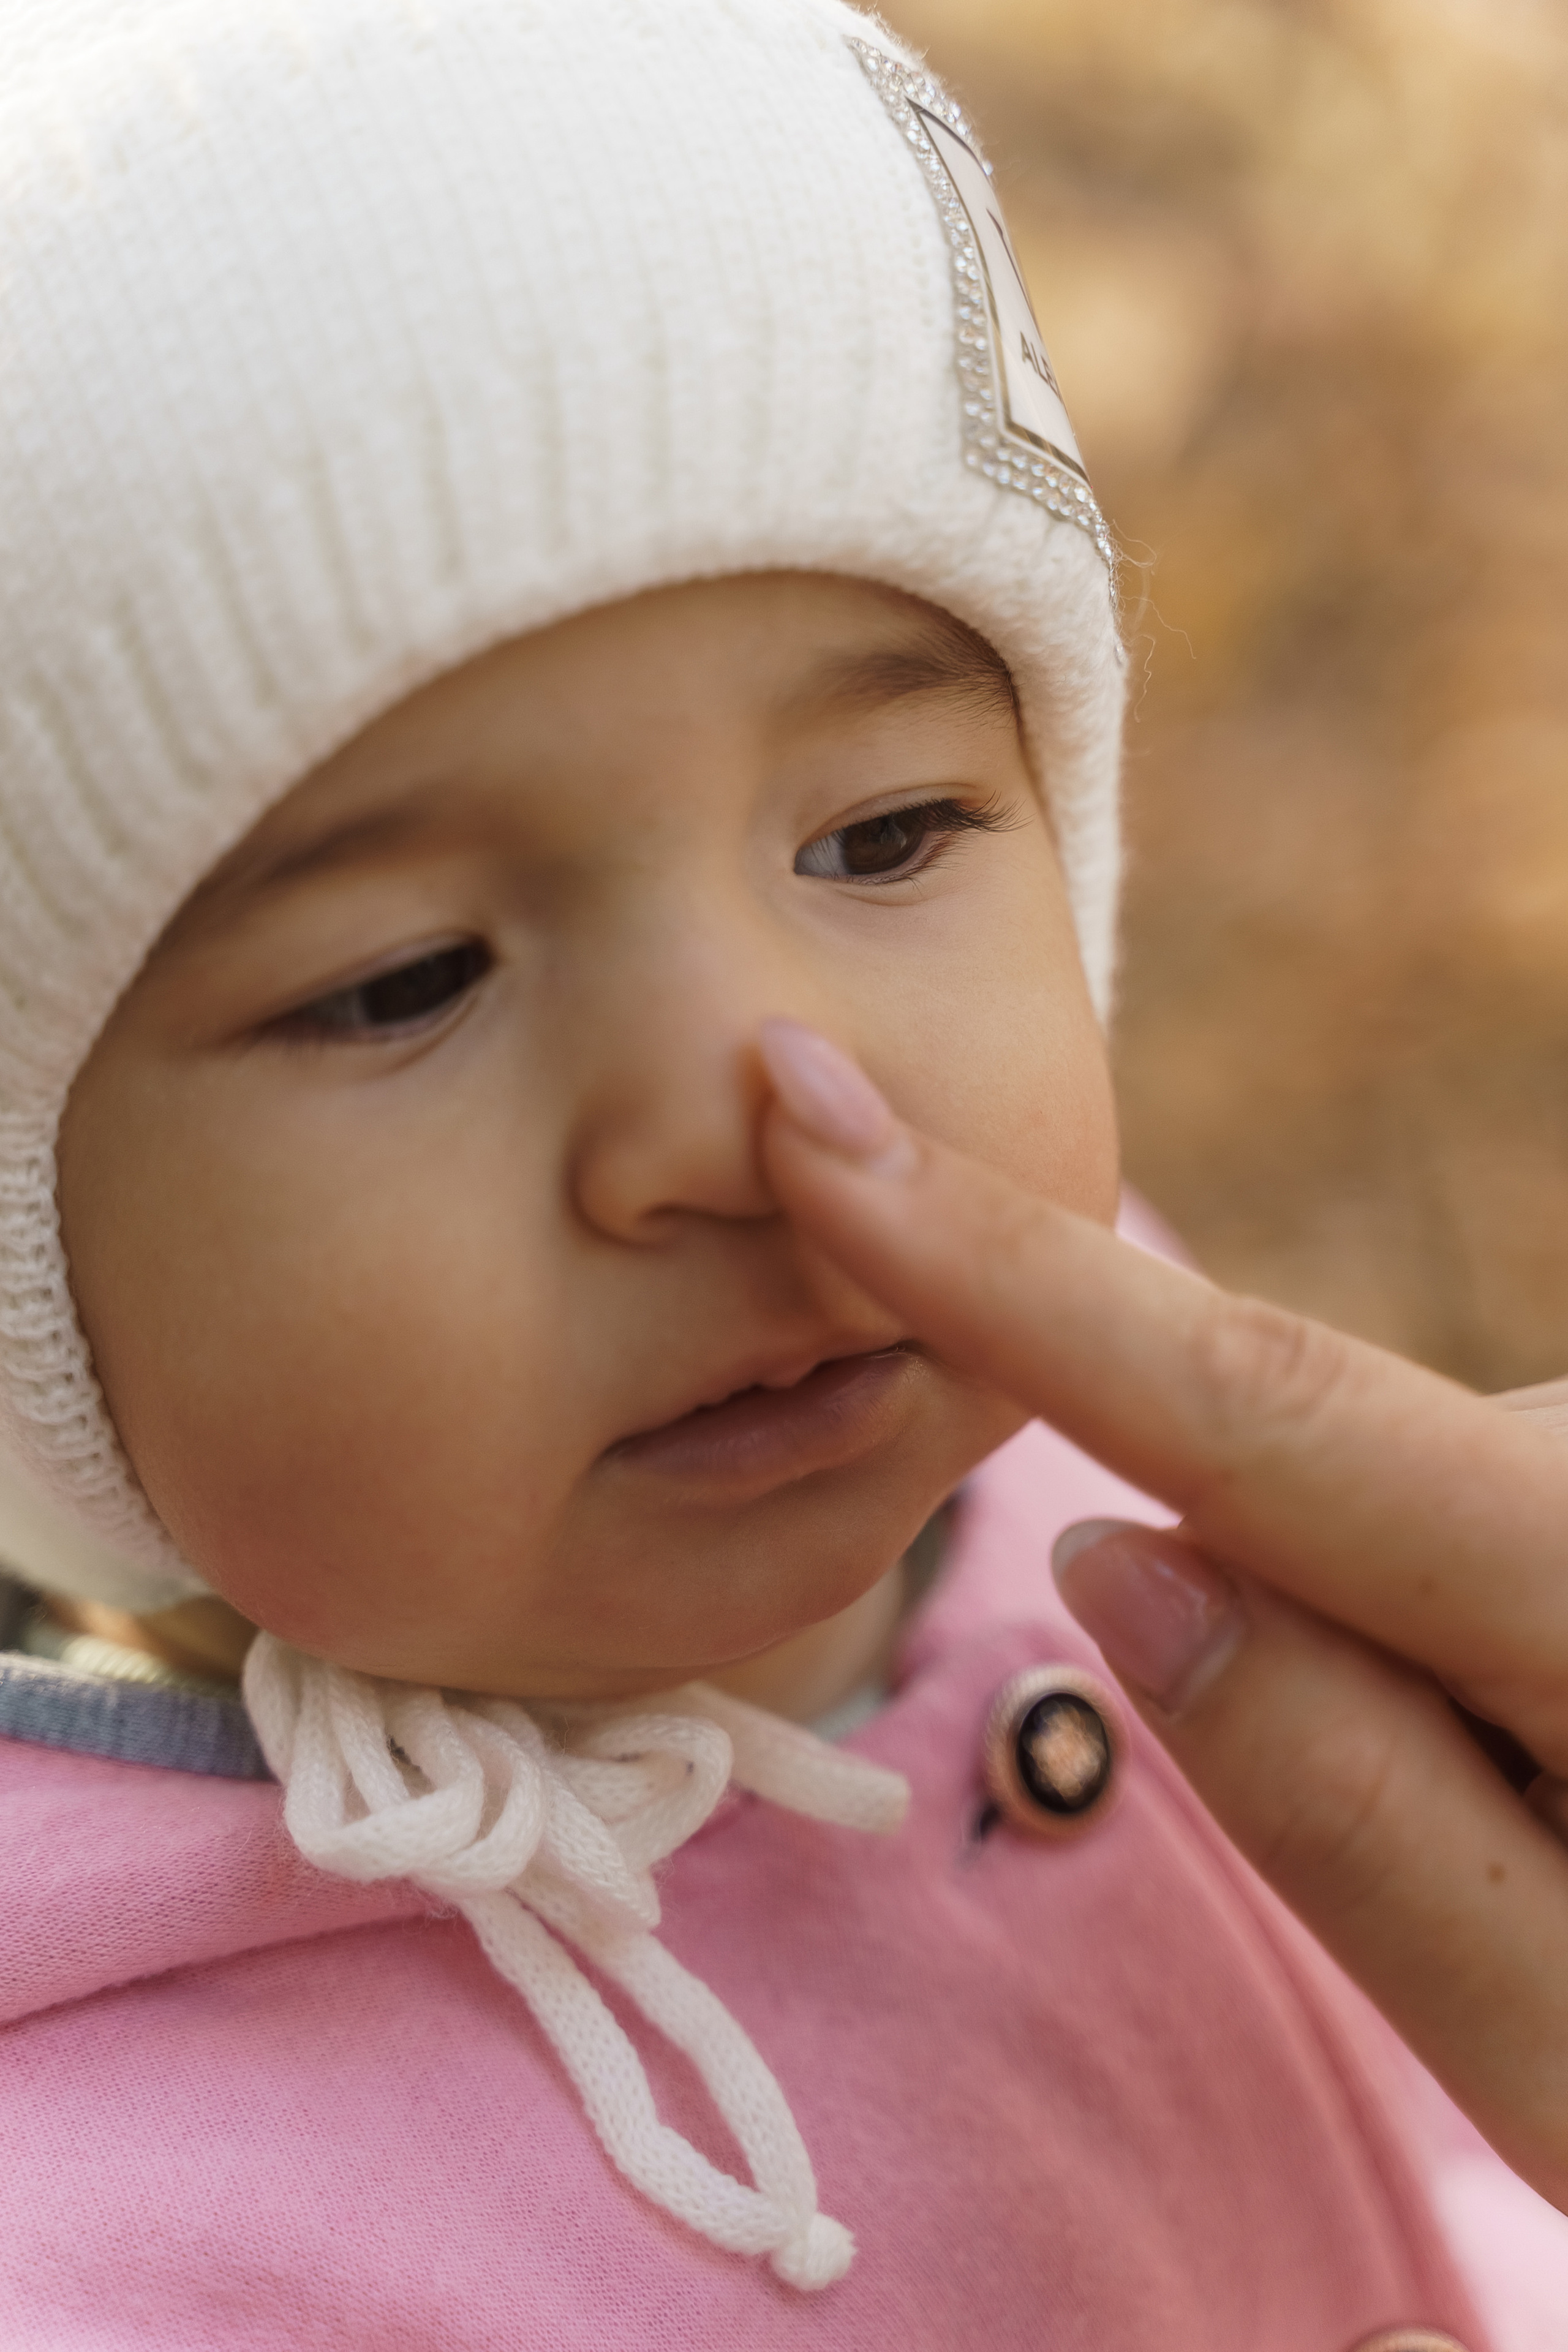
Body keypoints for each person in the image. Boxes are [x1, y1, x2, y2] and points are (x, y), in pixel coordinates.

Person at [0, 1, 1558, 2345]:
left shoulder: (1106, 1463)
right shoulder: (124, 2249)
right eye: (404, 978)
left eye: (885, 831)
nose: (761, 1118)